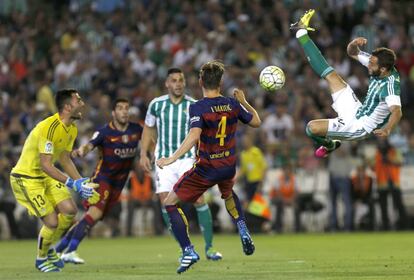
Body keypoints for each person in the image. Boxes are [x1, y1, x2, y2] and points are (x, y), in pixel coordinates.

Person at [156, 61, 261, 274]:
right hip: (228, 165)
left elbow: (194, 135)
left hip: (206, 168)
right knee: (228, 193)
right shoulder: (232, 104)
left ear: (201, 81)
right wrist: (245, 102)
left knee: (169, 203)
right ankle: (241, 226)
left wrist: (172, 158)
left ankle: (188, 250)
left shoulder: (198, 107)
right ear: (221, 83)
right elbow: (256, 122)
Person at [290, 9, 402, 158]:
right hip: (357, 110)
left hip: (360, 127)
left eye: (372, 65)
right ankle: (301, 32)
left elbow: (397, 111)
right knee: (332, 76)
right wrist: (354, 44)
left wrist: (388, 129)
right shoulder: (378, 64)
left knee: (311, 128)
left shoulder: (390, 86)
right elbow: (352, 53)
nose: (368, 65)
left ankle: (330, 145)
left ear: (382, 69)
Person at [9, 89, 99, 272]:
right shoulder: (49, 127)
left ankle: (49, 249)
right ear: (67, 107)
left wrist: (82, 183)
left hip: (45, 176)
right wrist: (72, 184)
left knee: (70, 210)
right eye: (78, 101)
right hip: (26, 178)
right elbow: (46, 165)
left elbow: (65, 159)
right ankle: (41, 259)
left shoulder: (71, 128)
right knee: (51, 222)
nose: (82, 104)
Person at [139, 68, 222, 261]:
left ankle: (209, 248)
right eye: (174, 80)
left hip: (186, 160)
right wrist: (143, 153)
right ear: (167, 83)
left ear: (184, 83)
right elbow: (149, 129)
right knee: (166, 203)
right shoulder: (156, 105)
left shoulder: (194, 105)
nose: (178, 84)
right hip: (163, 162)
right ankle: (185, 248)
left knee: (199, 200)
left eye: (181, 80)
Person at [56, 98, 142, 263]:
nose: (124, 111)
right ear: (113, 113)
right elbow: (89, 145)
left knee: (91, 218)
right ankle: (70, 251)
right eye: (120, 108)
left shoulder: (136, 129)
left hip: (119, 183)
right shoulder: (105, 132)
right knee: (95, 213)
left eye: (126, 108)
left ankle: (59, 249)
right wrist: (81, 151)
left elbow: (148, 140)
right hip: (102, 179)